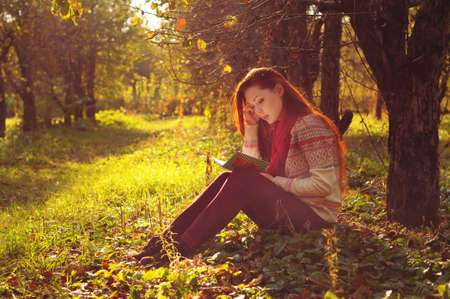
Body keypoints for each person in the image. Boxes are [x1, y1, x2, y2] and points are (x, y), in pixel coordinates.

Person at [132, 67, 346, 265]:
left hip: (317, 220)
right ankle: (165, 240)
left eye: (260, 100)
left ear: (279, 90)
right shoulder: (277, 128)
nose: (259, 111)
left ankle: (182, 247)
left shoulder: (310, 125)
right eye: (253, 106)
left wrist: (277, 182)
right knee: (229, 177)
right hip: (290, 210)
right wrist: (251, 128)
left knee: (245, 179)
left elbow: (324, 186)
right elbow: (251, 167)